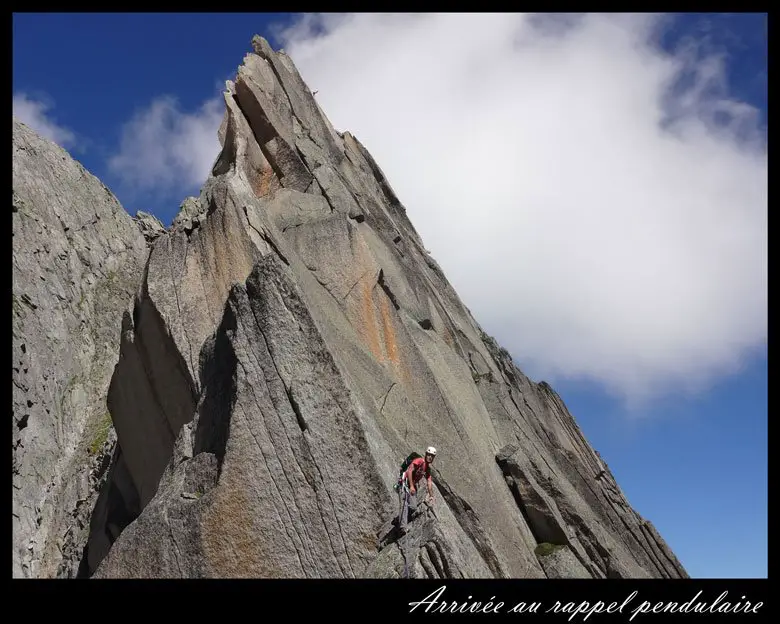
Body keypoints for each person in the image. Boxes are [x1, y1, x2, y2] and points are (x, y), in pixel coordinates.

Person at [397, 446, 437, 534]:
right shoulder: (419, 461)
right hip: (405, 482)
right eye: (429, 455)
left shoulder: (427, 469)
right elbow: (409, 471)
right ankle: (402, 527)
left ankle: (400, 519)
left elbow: (429, 483)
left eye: (432, 456)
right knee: (404, 503)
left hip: (412, 485)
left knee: (413, 506)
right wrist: (411, 485)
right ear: (426, 454)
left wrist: (431, 496)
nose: (430, 457)